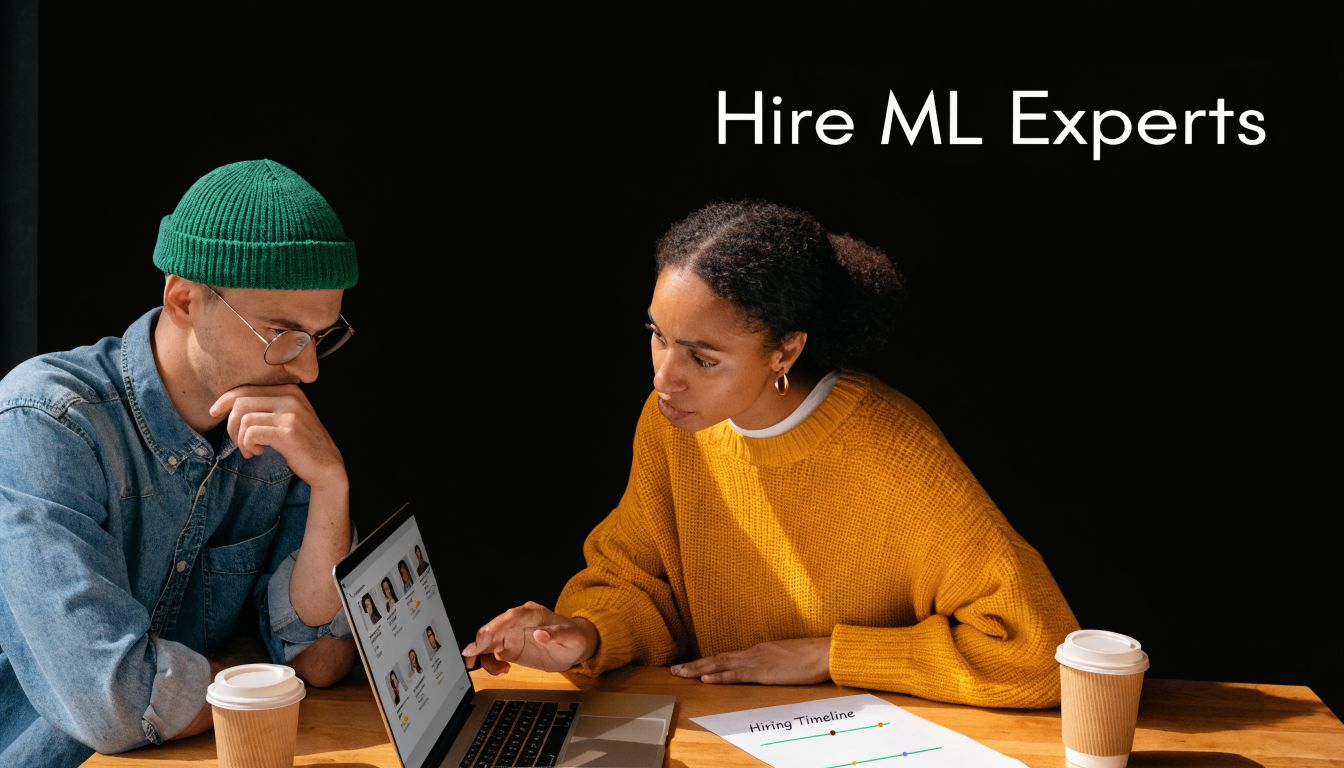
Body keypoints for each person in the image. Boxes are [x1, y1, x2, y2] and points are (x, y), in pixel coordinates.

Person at [461, 201, 1080, 709]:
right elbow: (639, 581)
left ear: (785, 352)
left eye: (703, 359)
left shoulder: (895, 454)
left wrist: (829, 655)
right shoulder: (672, 425)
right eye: (657, 338)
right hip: (716, 738)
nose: (663, 379)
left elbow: (1039, 651)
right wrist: (588, 633)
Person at [0, 159, 361, 767]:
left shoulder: (277, 428)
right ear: (184, 298)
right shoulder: (44, 424)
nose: (307, 370)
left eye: (320, 337)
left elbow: (318, 661)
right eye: (282, 333)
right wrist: (250, 674)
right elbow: (116, 705)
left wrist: (330, 484)